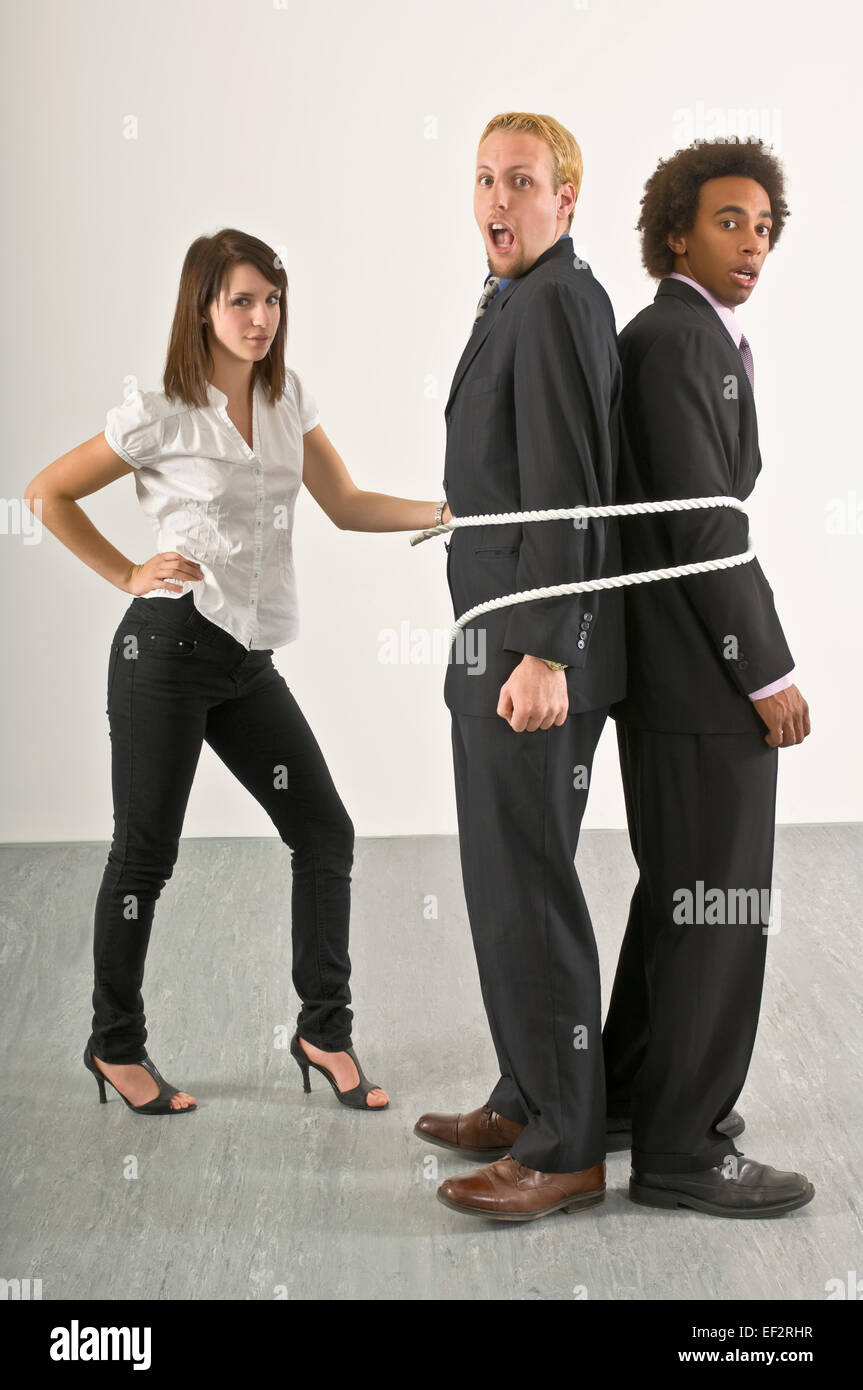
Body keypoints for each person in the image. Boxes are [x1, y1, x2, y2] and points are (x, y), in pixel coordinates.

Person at [23, 227, 451, 1117]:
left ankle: (323, 1031)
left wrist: (450, 510)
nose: (261, 318)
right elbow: (46, 493)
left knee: (325, 835)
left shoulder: (288, 395)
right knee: (145, 856)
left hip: (245, 662)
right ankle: (115, 1046)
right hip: (165, 651)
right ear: (202, 310)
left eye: (272, 299)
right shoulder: (160, 413)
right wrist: (126, 572)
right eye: (240, 301)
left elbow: (345, 502)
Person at [414, 112, 627, 1221]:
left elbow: (570, 490)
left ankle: (562, 1147)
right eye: (485, 179)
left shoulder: (556, 303)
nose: (498, 199)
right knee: (500, 886)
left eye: (523, 181)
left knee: (528, 891)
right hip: (489, 639)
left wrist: (547, 646)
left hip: (526, 654)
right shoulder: (515, 298)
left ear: (565, 200)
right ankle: (524, 1093)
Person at [604, 137, 814, 1216]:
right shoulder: (680, 340)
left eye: (763, 227)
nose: (750, 243)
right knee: (717, 905)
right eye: (728, 221)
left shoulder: (686, 337)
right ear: (675, 229)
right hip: (699, 677)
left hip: (673, 671)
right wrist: (764, 669)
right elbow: (700, 525)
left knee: (680, 892)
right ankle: (685, 1145)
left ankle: (632, 1098)